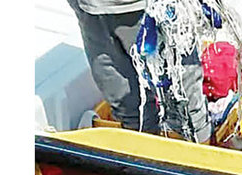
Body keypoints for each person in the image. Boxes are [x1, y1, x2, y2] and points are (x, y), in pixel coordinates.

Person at [68, 0, 212, 142]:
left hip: (150, 9)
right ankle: (146, 157)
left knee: (184, 109)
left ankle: (203, 157)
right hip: (89, 11)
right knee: (128, 109)